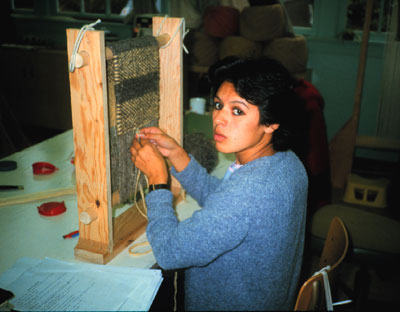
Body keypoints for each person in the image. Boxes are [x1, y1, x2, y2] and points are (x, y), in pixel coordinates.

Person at [130, 56, 308, 311]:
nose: (219, 119)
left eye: (237, 110)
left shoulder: (251, 189)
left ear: (271, 122)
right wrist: (179, 157)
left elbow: (169, 253)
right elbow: (224, 201)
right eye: (218, 105)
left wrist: (158, 181)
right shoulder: (287, 162)